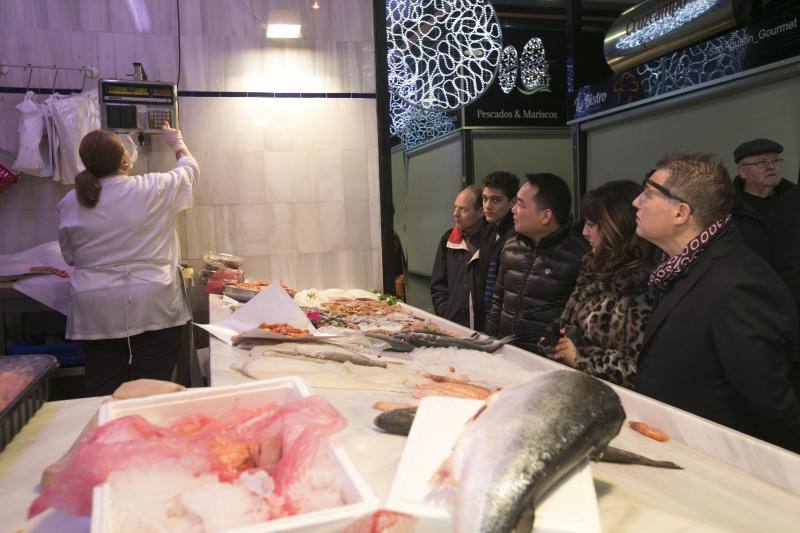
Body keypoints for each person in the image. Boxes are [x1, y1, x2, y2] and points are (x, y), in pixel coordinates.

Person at [632, 153, 800, 452]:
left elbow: (768, 401)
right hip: (678, 448)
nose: (636, 202)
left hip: (715, 462)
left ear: (681, 213)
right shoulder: (682, 266)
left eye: (647, 193)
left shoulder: (740, 284)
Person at [58, 122, 199, 396]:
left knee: (102, 389)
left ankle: (108, 436)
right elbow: (190, 170)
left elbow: (70, 255)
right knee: (152, 389)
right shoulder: (152, 186)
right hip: (153, 303)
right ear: (124, 160)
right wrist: (176, 141)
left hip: (95, 307)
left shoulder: (70, 200)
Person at [540, 180, 656, 387]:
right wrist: (555, 341)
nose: (584, 232)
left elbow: (638, 370)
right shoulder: (593, 266)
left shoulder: (643, 284)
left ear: (616, 228)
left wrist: (580, 357)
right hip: (572, 387)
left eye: (592, 225)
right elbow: (567, 324)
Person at [485, 173, 587, 352]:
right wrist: (488, 344)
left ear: (546, 216)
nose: (513, 210)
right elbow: (497, 301)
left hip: (546, 362)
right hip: (503, 354)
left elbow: (577, 322)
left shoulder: (580, 256)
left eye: (520, 204)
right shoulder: (510, 247)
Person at [430, 185, 485, 327]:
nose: (456, 213)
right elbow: (438, 284)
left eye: (463, 209)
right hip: (453, 323)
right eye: (455, 207)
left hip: (484, 328)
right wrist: (445, 312)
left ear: (480, 212)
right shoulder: (448, 238)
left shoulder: (491, 241)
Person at [731, 138, 794, 260]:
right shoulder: (729, 208)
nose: (771, 167)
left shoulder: (793, 199)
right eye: (762, 162)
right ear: (742, 172)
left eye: (775, 161)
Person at [472, 171, 519, 332]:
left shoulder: (517, 236)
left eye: (496, 200)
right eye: (485, 199)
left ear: (513, 202)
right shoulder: (487, 231)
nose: (487, 206)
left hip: (506, 322)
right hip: (485, 317)